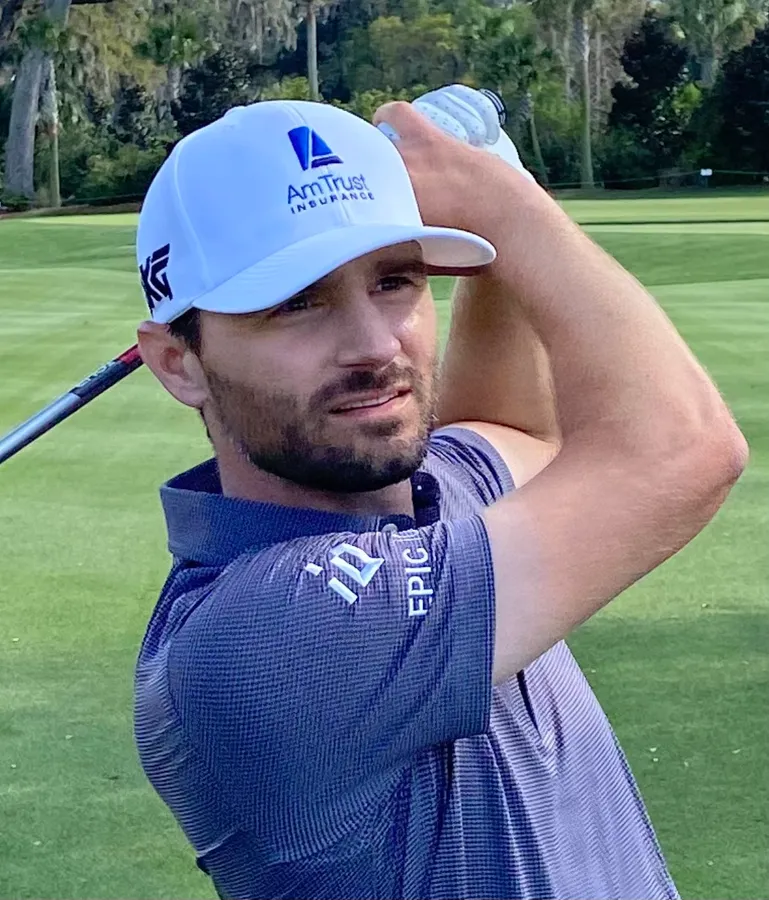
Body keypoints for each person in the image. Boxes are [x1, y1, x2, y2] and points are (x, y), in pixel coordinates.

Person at [133, 92, 746, 900]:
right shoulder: (264, 636)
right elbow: (682, 450)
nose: (373, 346)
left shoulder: (423, 501)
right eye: (296, 303)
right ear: (178, 362)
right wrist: (505, 204)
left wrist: (497, 228)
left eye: (394, 281)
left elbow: (507, 429)